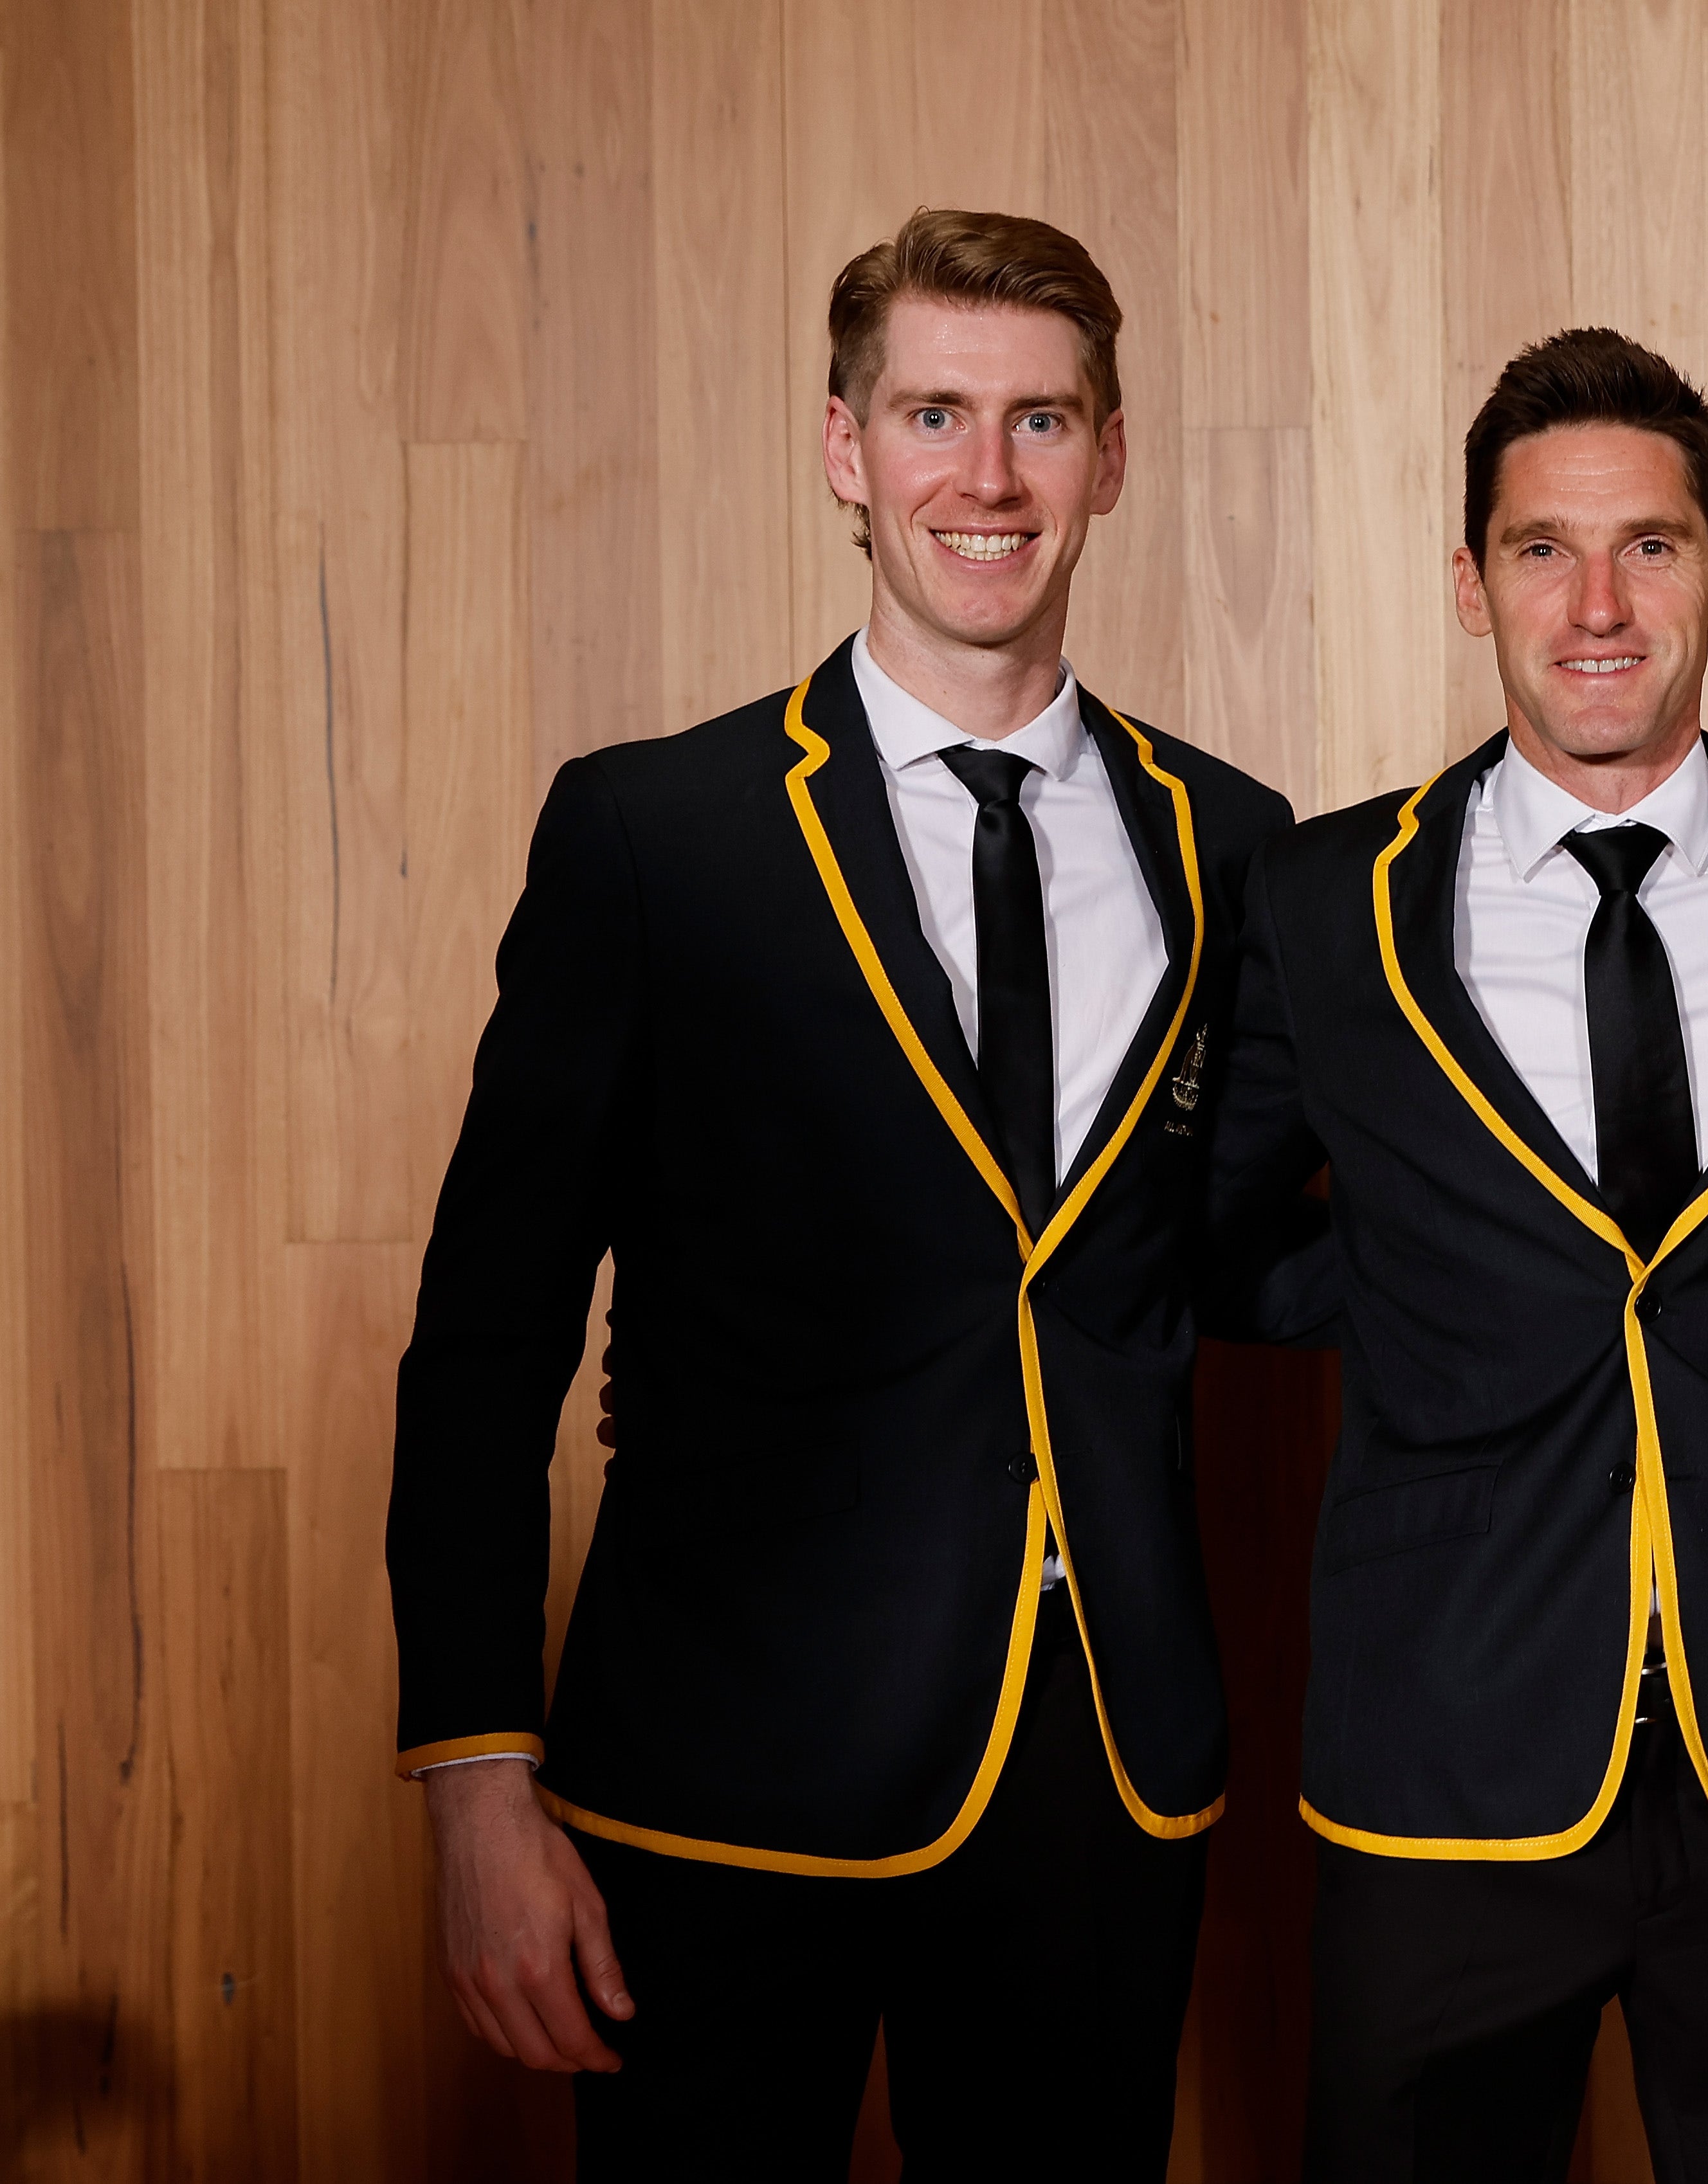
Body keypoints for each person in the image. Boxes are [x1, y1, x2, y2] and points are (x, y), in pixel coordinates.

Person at [385, 206, 1292, 2177]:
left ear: (1111, 459)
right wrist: (474, 1776)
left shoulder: (1234, 843)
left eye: (1041, 421)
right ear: (842, 447)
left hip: (1102, 1778)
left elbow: (1240, 1251)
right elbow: (487, 1332)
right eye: (934, 415)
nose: (987, 477)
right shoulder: (655, 835)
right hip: (716, 1792)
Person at [1203, 329, 1708, 2181]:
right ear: (1472, 585)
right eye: (1543, 548)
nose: (1599, 603)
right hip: (1442, 1760)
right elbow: (1201, 1234)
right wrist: (1422, 1326)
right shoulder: (1325, 899)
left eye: (1654, 546)